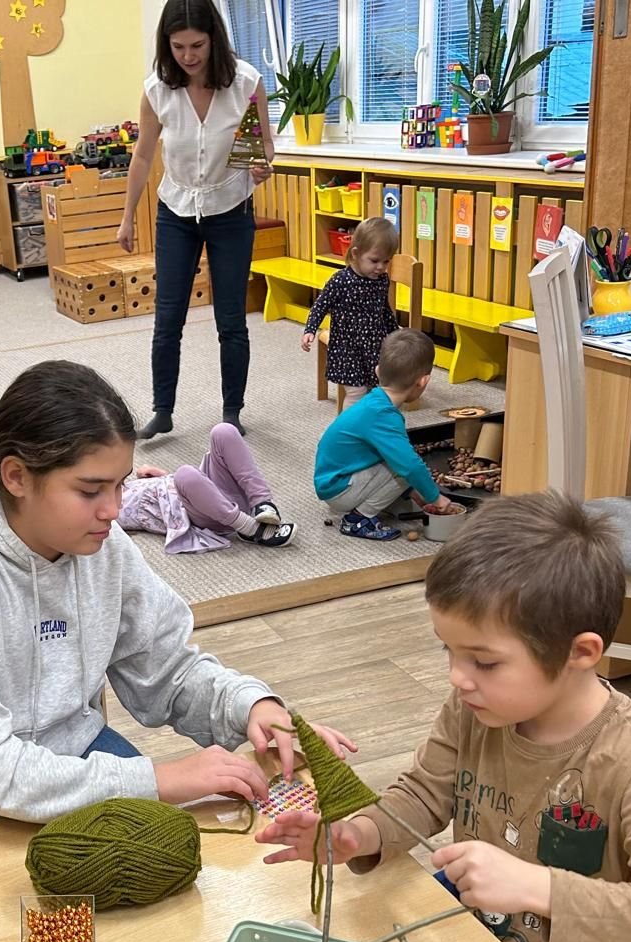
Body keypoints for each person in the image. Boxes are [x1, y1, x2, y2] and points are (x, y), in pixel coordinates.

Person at [257, 492, 631, 942]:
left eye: (484, 661)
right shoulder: (476, 708)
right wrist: (358, 834)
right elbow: (423, 795)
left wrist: (539, 887)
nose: (458, 677)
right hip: (480, 934)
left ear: (581, 653)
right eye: (448, 652)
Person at [0, 359, 354, 832]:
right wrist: (159, 779)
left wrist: (252, 707)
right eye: (90, 490)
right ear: (16, 477)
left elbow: (168, 669)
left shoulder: (103, 547)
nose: (114, 511)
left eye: (120, 485)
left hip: (66, 751)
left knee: (169, 855)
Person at [117, 0, 274, 440]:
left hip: (231, 210)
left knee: (231, 319)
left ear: (214, 40)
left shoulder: (246, 83)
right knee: (168, 318)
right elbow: (143, 156)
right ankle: (162, 410)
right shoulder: (157, 89)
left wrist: (262, 165)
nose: (188, 56)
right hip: (176, 213)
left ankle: (232, 412)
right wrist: (127, 217)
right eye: (179, 46)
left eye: (197, 46)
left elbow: (261, 147)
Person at [314, 328, 454, 540]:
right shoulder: (383, 416)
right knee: (405, 466)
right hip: (338, 488)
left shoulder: (375, 403)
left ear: (378, 371)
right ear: (423, 381)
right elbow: (409, 465)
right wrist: (436, 498)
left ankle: (381, 501)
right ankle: (358, 519)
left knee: (400, 461)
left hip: (336, 479)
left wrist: (412, 492)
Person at [117, 421, 294, 551]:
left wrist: (158, 476)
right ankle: (251, 529)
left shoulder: (115, 481)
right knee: (185, 473)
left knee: (223, 431)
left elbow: (172, 489)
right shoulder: (109, 510)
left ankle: (262, 502)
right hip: (204, 513)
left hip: (202, 490)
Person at [301, 217, 402, 407]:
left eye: (386, 261)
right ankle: (348, 425)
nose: (381, 267)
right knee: (357, 393)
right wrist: (310, 329)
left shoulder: (381, 280)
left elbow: (384, 309)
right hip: (347, 349)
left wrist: (395, 334)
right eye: (374, 260)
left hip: (373, 346)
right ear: (356, 253)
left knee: (376, 390)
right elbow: (320, 305)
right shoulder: (340, 280)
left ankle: (369, 423)